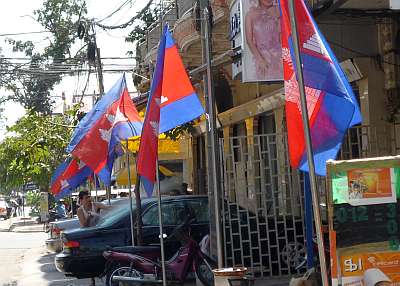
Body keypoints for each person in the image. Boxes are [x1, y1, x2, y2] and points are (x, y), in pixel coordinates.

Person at [245, 0, 282, 80]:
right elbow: (249, 41)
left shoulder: (279, 11)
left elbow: (283, 35)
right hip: (263, 59)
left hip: (279, 57)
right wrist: (260, 60)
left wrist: (276, 18)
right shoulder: (250, 15)